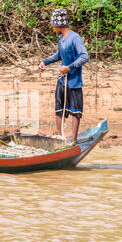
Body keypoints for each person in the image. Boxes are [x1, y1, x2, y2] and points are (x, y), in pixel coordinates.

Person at [39, 8, 89, 144]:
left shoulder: (75, 38)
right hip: (62, 80)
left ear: (59, 25)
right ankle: (60, 138)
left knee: (75, 111)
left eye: (53, 25)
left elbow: (85, 56)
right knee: (59, 108)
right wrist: (45, 62)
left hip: (74, 81)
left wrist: (69, 67)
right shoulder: (61, 39)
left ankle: (73, 140)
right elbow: (59, 55)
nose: (52, 27)